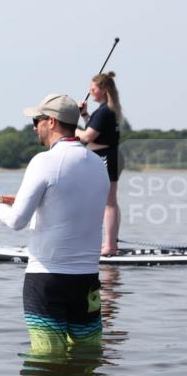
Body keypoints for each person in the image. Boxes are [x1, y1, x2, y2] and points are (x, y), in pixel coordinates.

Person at [0, 94, 109, 354]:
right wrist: (22, 199)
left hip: (47, 279)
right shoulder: (98, 164)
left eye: (36, 120)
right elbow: (70, 202)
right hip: (87, 280)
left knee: (46, 363)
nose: (33, 126)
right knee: (87, 359)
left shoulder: (43, 161)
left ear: (51, 122)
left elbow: (17, 221)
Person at [76, 71, 122, 256]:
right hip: (108, 156)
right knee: (111, 202)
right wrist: (85, 115)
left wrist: (71, 127)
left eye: (93, 88)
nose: (90, 91)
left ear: (103, 90)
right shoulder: (105, 110)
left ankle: (110, 246)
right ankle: (112, 243)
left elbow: (87, 136)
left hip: (106, 157)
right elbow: (94, 129)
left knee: (108, 203)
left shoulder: (104, 111)